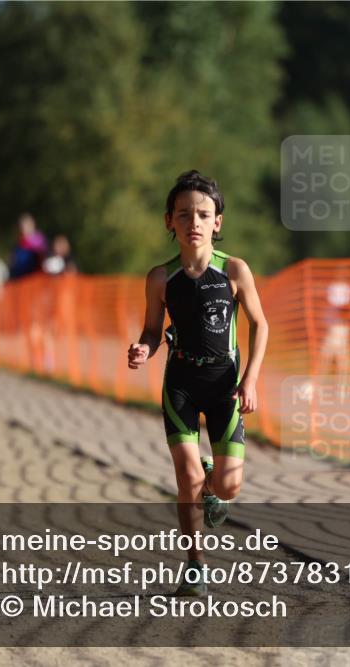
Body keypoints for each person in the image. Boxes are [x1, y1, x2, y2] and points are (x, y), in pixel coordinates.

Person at [127, 170, 268, 597]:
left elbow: (260, 325)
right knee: (186, 479)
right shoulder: (160, 279)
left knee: (229, 487)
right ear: (169, 221)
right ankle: (195, 566)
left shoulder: (235, 271)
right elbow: (153, 331)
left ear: (217, 222)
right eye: (184, 214)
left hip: (226, 385)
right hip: (181, 384)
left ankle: (214, 482)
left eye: (203, 214)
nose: (194, 222)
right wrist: (143, 348)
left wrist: (251, 379)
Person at [9, 213, 48, 279]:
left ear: (32, 225)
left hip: (38, 280)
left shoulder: (40, 243)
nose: (23, 229)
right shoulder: (17, 247)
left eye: (26, 225)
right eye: (21, 226)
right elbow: (13, 267)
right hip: (21, 281)